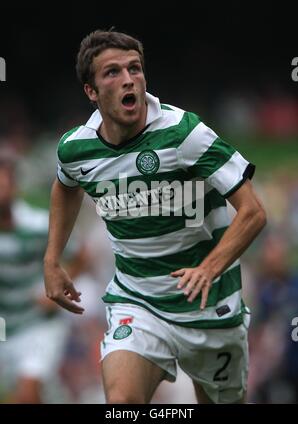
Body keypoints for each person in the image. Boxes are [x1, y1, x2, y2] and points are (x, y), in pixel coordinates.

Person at [44, 29, 267, 404]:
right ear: (91, 91)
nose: (129, 78)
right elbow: (65, 185)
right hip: (138, 301)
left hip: (208, 305)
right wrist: (52, 259)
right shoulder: (76, 149)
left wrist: (209, 269)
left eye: (135, 68)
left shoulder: (185, 134)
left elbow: (253, 213)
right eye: (112, 72)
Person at [0, 149, 86, 403]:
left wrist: (56, 290)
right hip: (5, 325)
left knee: (27, 393)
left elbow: (80, 254)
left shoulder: (37, 225)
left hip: (38, 322)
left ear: (14, 188)